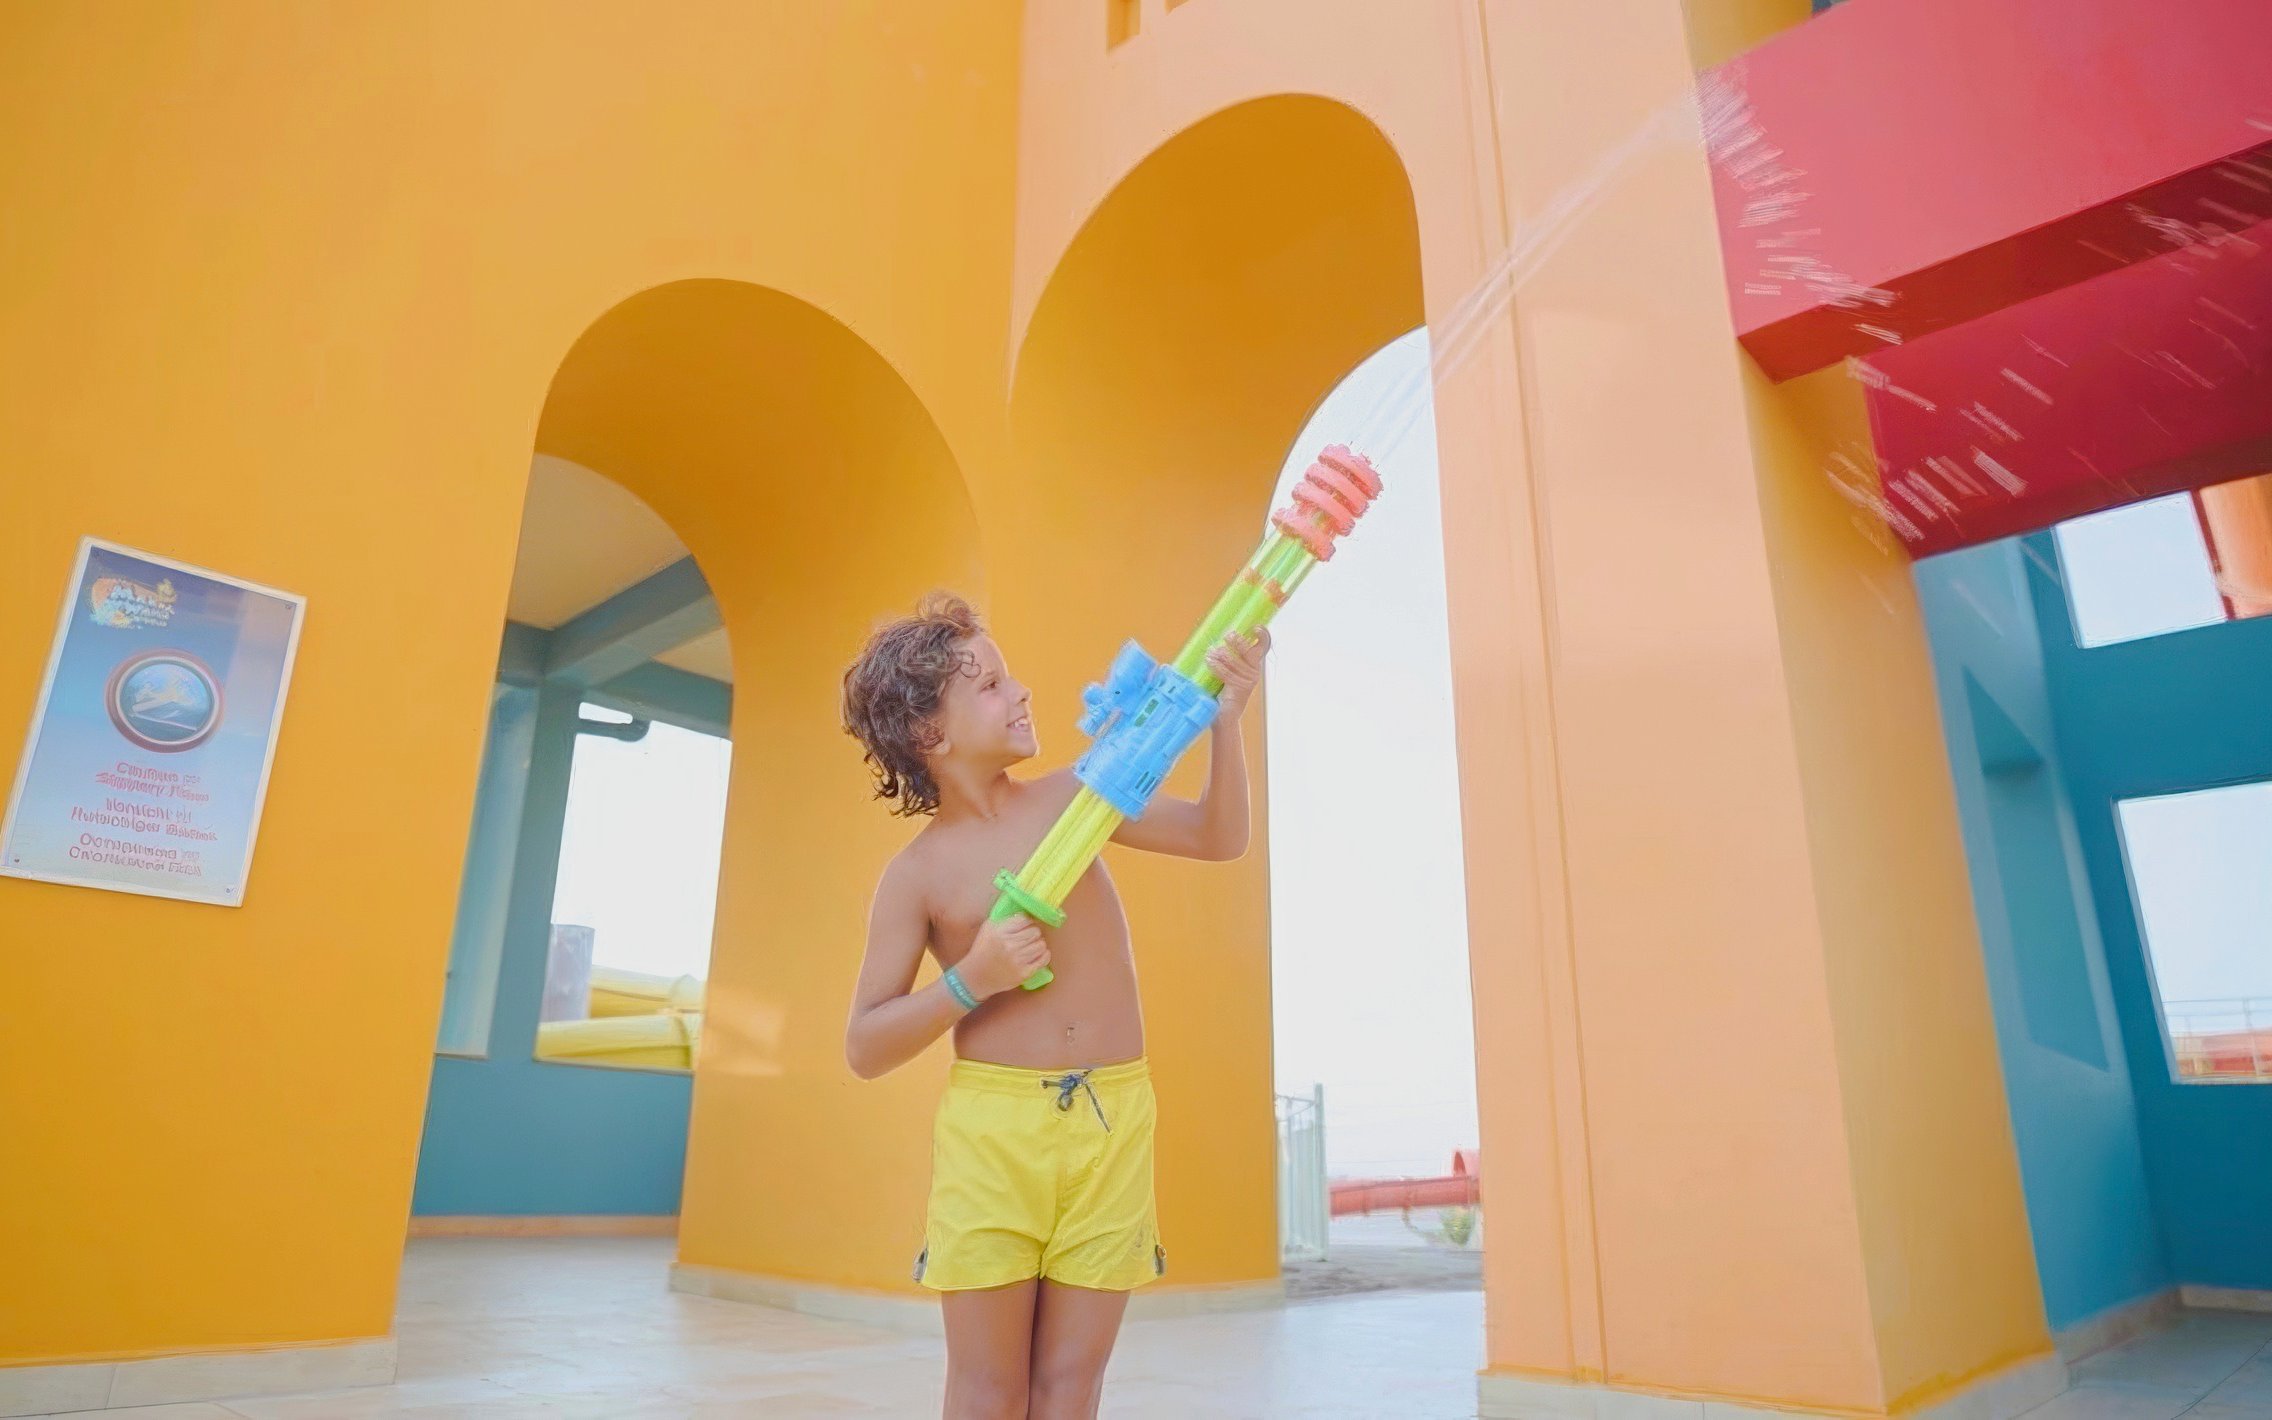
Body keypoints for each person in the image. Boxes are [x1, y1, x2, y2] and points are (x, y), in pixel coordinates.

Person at [840, 593, 1267, 1420]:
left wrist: (1227, 721)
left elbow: (1219, 838)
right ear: (930, 733)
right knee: (988, 1389)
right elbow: (865, 1045)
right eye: (993, 685)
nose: (1022, 692)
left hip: (1113, 1118)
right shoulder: (917, 875)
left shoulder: (1081, 799)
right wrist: (973, 978)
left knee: (1072, 1385)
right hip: (995, 1137)